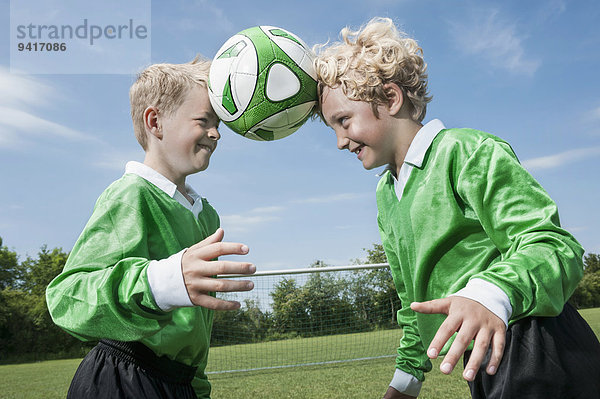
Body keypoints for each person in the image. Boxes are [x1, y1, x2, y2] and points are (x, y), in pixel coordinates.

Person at [314, 17, 600, 399]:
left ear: (390, 98)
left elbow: (553, 247)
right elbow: (412, 303)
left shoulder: (466, 152)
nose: (339, 141)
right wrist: (405, 382)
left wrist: (490, 293)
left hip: (536, 345)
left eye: (344, 120)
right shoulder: (387, 194)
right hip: (481, 363)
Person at [46, 57, 256, 399]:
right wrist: (161, 282)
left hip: (178, 384)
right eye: (204, 120)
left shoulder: (207, 217)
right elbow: (67, 298)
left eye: (217, 123)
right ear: (155, 121)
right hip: (122, 379)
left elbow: (194, 334)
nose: (216, 133)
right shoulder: (130, 195)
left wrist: (194, 387)